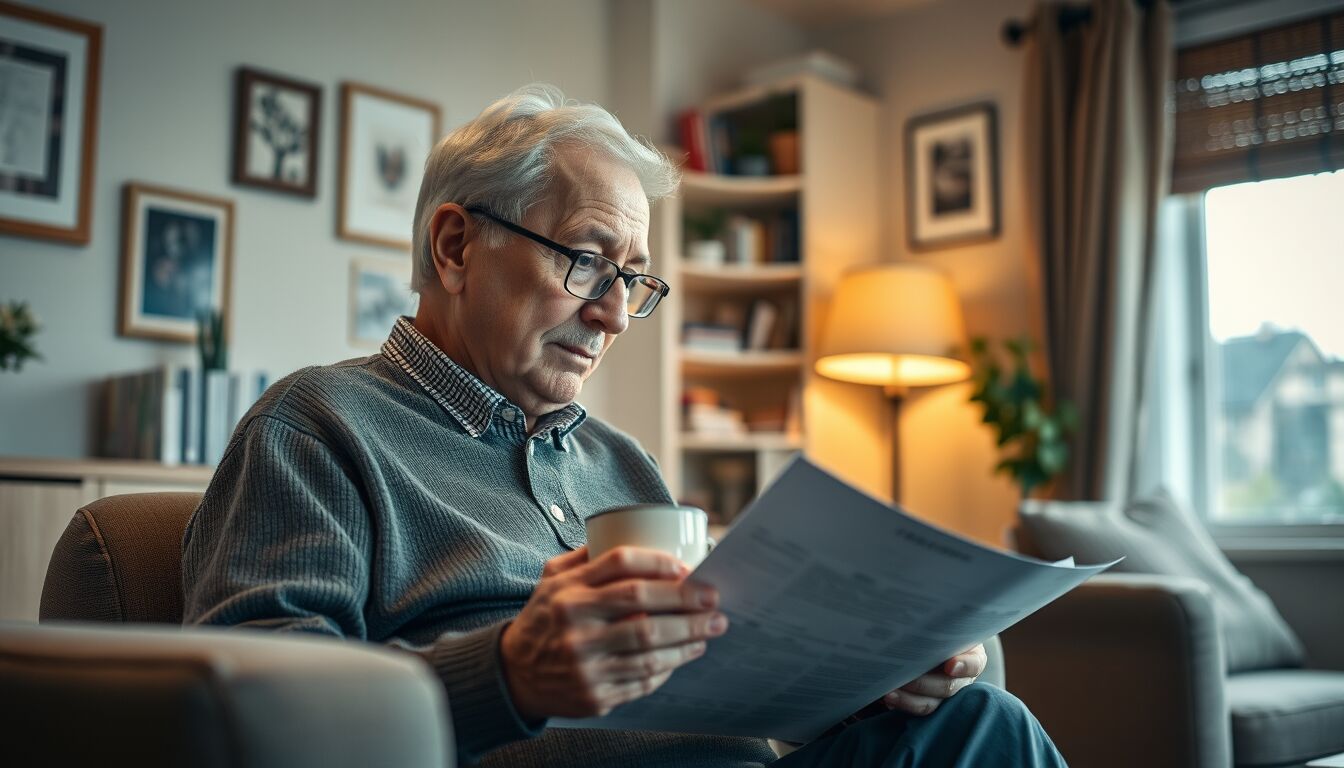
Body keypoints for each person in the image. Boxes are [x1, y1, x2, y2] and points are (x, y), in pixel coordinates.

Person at [181, 84, 1067, 768]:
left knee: (977, 715)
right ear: (455, 248)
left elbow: (740, 666)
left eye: (632, 279)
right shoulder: (315, 427)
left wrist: (889, 673)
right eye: (585, 261)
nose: (612, 313)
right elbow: (253, 718)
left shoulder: (620, 461)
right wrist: (509, 675)